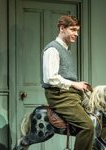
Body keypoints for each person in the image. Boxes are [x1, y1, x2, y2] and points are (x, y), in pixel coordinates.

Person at [42, 15, 94, 150]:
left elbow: (65, 76)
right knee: (87, 127)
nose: (76, 34)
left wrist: (78, 84)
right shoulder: (52, 49)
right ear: (62, 28)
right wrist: (74, 84)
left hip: (70, 94)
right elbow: (50, 78)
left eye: (77, 30)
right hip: (60, 97)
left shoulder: (66, 49)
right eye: (73, 29)